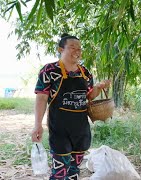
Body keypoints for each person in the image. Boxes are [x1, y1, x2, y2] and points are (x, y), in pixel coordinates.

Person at [31, 33, 111, 180]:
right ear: (61, 49)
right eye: (72, 47)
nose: (77, 51)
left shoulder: (85, 72)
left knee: (74, 171)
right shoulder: (49, 71)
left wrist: (98, 88)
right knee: (60, 172)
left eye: (79, 48)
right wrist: (37, 125)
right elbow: (41, 98)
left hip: (81, 129)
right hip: (59, 129)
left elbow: (89, 96)